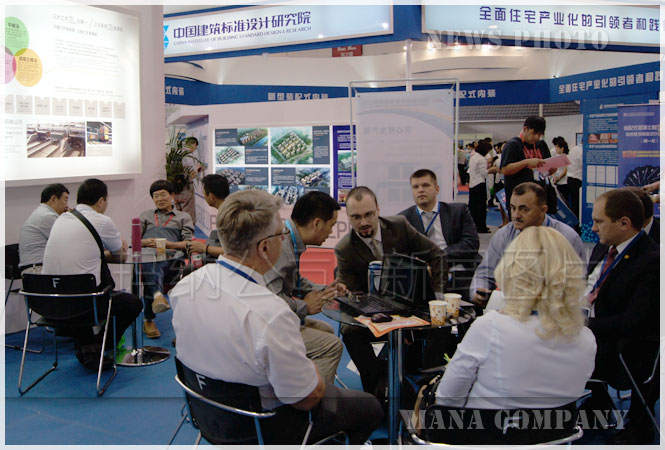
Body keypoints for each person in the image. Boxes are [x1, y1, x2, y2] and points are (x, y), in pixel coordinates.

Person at [169, 190, 383, 445]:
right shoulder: (270, 315)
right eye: (281, 234)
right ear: (265, 247)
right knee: (370, 408)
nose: (285, 239)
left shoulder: (186, 287)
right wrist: (312, 373)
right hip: (266, 429)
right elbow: (307, 399)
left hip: (208, 416)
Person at [436, 227, 596, 409]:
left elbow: (447, 399)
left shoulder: (490, 328)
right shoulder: (586, 339)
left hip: (484, 426)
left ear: (512, 270)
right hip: (557, 427)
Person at [335, 186, 447, 396]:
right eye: (356, 217)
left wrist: (437, 297)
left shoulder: (399, 226)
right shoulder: (344, 248)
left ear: (378, 209)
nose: (363, 222)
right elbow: (352, 295)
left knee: (442, 324)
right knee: (350, 332)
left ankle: (429, 387)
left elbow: (436, 255)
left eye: (369, 214)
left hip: (410, 305)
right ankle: (378, 388)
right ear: (348, 217)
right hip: (372, 311)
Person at [42, 179, 142, 370]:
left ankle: (88, 345)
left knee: (93, 290)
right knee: (133, 303)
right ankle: (100, 344)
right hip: (83, 303)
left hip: (50, 302)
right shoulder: (102, 221)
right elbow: (121, 256)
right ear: (101, 201)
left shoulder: (61, 219)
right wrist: (117, 248)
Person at [585, 189, 659, 445]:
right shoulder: (604, 246)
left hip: (626, 348)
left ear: (624, 223)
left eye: (599, 221)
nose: (593, 228)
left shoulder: (651, 261)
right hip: (593, 331)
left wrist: (584, 325)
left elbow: (634, 322)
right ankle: (594, 406)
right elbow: (590, 287)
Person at [263, 191, 344, 384]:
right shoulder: (282, 246)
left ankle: (298, 383)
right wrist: (304, 307)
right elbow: (270, 298)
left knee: (326, 330)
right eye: (331, 226)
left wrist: (325, 290)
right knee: (332, 346)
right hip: (267, 327)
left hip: (274, 321)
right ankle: (314, 400)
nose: (331, 232)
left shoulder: (290, 240)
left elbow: (294, 281)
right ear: (317, 223)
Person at [470, 182, 586, 307]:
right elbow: (484, 274)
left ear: (543, 210)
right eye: (513, 208)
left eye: (524, 209)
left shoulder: (568, 238)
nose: (516, 215)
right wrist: (478, 291)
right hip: (508, 309)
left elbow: (578, 286)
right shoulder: (503, 235)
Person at [399, 169, 480, 299]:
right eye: (415, 187)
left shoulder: (458, 211)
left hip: (458, 272)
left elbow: (471, 244)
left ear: (437, 189)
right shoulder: (403, 219)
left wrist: (437, 258)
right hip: (425, 278)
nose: (420, 190)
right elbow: (403, 255)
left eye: (425, 185)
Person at [139, 179, 194, 339]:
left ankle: (154, 304)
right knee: (151, 261)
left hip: (172, 259)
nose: (159, 199)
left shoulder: (183, 217)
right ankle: (155, 302)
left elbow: (188, 243)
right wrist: (146, 242)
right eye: (155, 196)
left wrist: (168, 244)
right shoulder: (146, 215)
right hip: (149, 256)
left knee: (154, 265)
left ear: (172, 195)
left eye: (163, 195)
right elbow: (135, 241)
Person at [500, 116, 556, 214]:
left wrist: (550, 170)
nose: (536, 137)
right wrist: (526, 163)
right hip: (520, 199)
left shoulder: (541, 145)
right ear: (525, 129)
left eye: (540, 134)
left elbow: (545, 168)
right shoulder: (513, 145)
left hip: (539, 197)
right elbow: (505, 169)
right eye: (534, 133)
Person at [18, 183, 70, 273]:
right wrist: (70, 217)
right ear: (54, 199)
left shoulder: (41, 212)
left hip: (35, 268)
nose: (67, 206)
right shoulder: (47, 217)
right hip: (38, 270)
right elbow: (70, 242)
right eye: (65, 200)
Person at [188, 174, 229, 259]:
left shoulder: (228, 217)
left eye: (204, 193)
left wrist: (205, 248)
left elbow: (235, 252)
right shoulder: (227, 210)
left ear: (211, 197)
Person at [468, 141, 498, 233]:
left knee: (473, 207)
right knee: (481, 207)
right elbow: (484, 173)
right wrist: (491, 169)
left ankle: (474, 225)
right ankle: (481, 227)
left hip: (472, 184)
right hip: (479, 184)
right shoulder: (481, 159)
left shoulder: (473, 157)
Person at [173, 136, 203, 225]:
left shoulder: (176, 154)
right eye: (195, 147)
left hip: (175, 188)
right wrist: (197, 168)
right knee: (188, 213)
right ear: (194, 144)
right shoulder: (188, 156)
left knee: (178, 212)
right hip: (186, 186)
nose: (195, 150)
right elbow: (191, 173)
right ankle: (188, 231)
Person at [550, 137, 570, 207]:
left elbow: (565, 171)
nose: (555, 149)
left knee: (564, 201)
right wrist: (554, 177)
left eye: (557, 147)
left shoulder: (565, 157)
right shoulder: (556, 157)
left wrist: (557, 178)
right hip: (557, 181)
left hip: (563, 182)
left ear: (562, 148)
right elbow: (552, 168)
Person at [566, 141, 583, 219]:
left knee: (573, 203)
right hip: (577, 180)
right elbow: (584, 165)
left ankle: (575, 220)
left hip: (570, 178)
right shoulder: (581, 151)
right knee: (577, 204)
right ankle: (577, 220)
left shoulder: (573, 148)